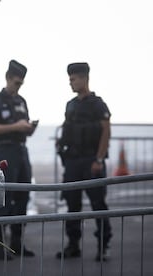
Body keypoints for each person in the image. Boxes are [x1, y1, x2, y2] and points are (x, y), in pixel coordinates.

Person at [56, 62, 113, 261]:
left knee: (98, 204)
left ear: (84, 79)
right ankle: (73, 245)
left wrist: (98, 159)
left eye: (73, 79)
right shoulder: (70, 105)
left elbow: (106, 132)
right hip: (73, 162)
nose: (70, 83)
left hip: (91, 160)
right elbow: (66, 129)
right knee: (72, 205)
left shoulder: (98, 105)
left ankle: (103, 245)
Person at [0, 59, 36, 260]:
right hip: (4, 152)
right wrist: (16, 127)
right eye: (16, 83)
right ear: (7, 78)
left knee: (23, 197)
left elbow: (24, 127)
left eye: (21, 83)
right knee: (2, 199)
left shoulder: (21, 101)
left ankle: (17, 243)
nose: (18, 86)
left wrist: (29, 128)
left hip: (21, 150)